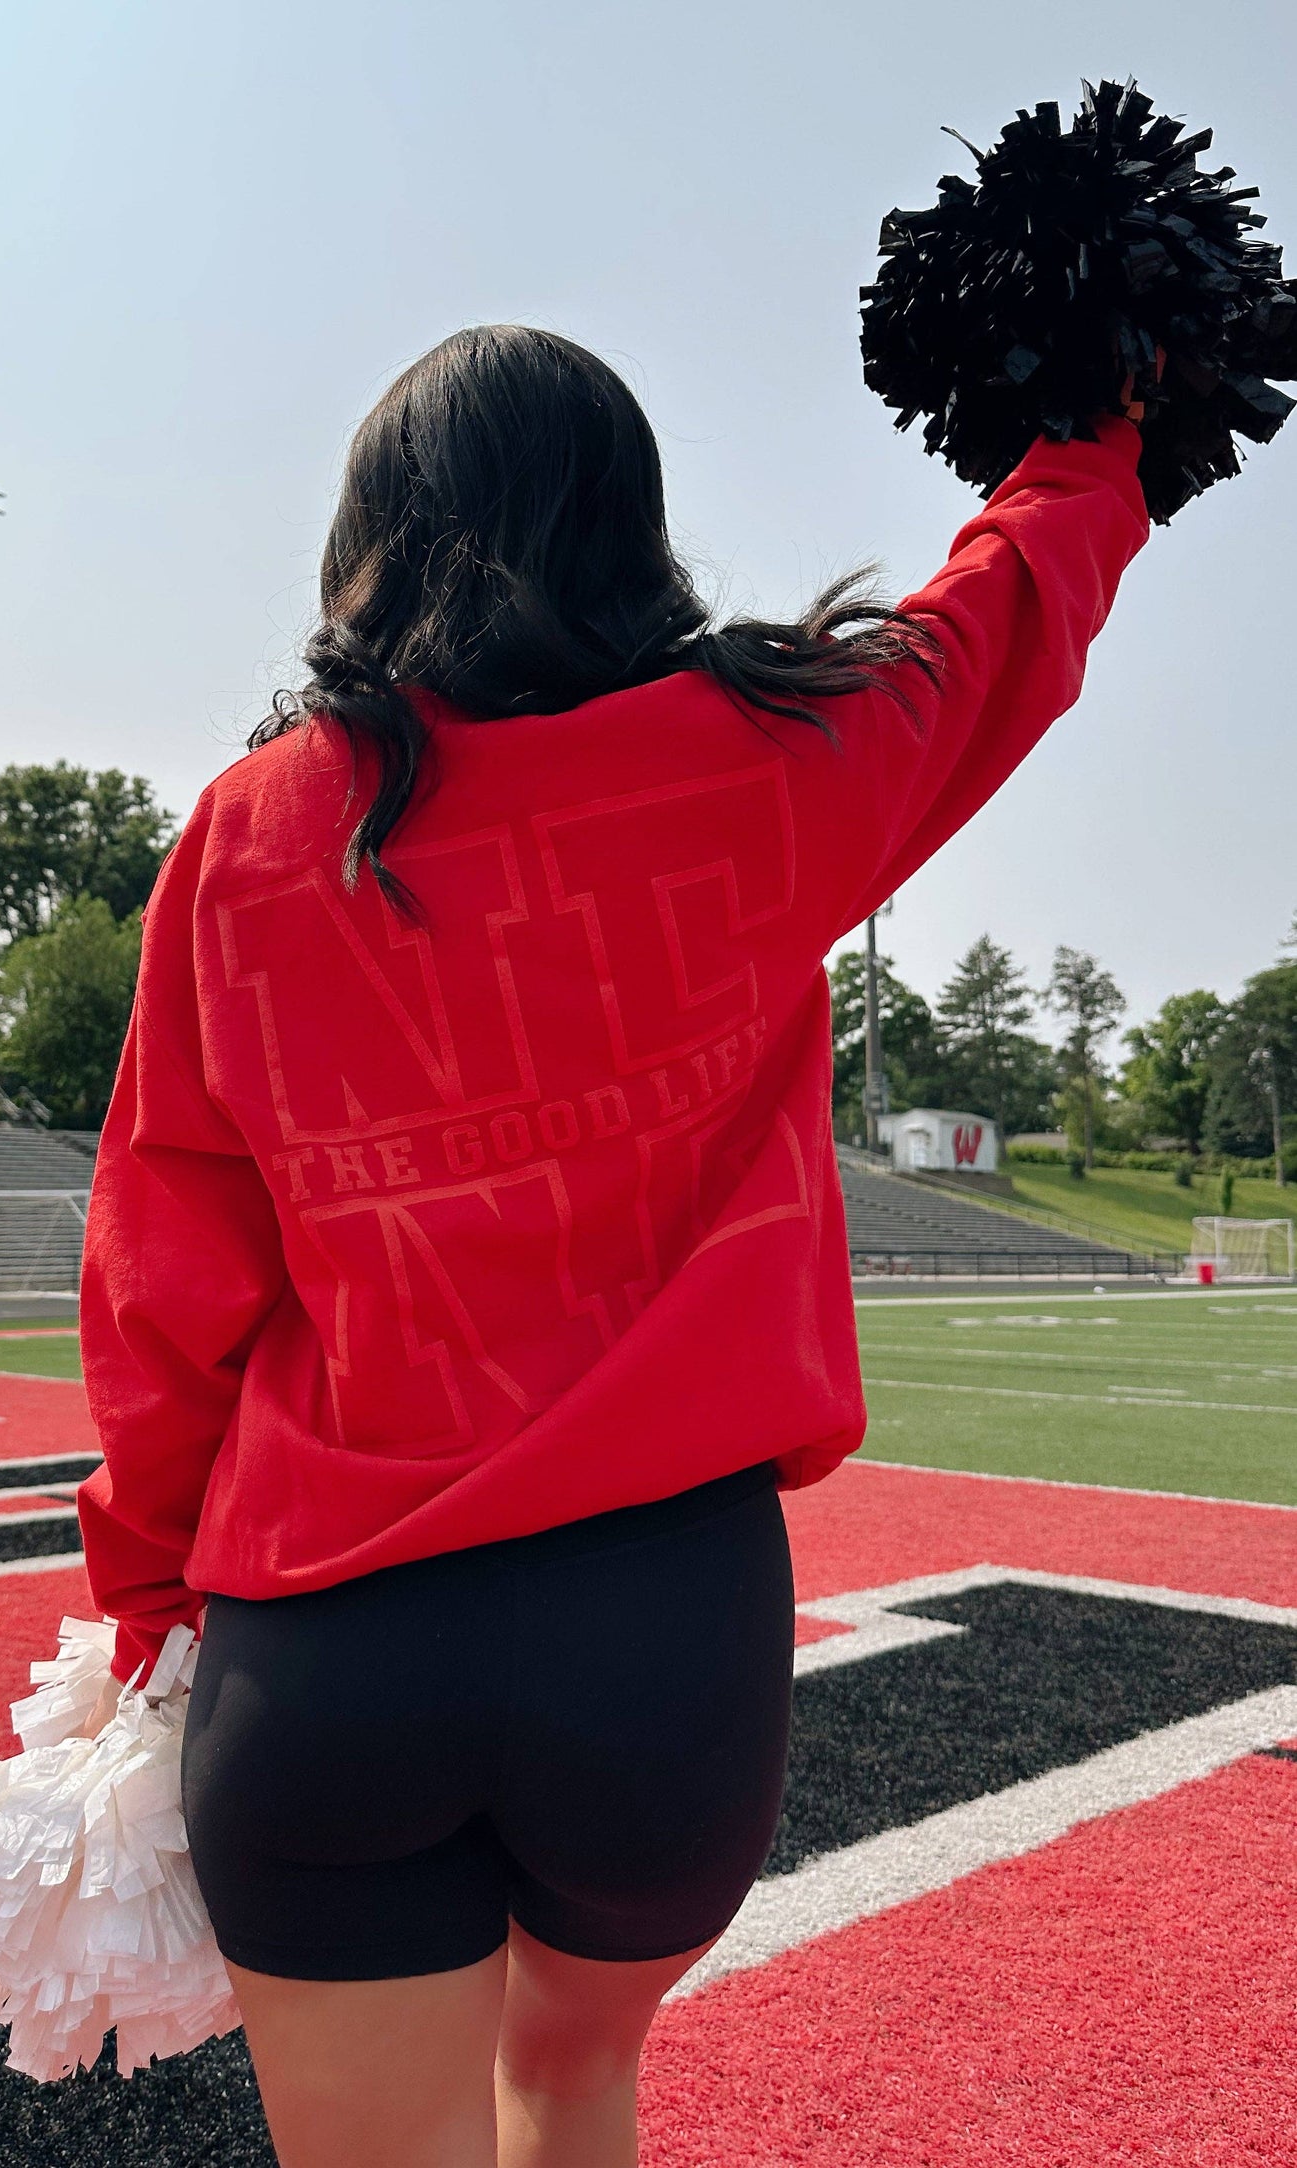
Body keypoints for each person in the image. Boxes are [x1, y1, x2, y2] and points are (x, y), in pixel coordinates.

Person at [76, 324, 1150, 2167]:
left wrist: (150, 1602)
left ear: (369, 540)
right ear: (631, 533)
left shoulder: (250, 834)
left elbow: (161, 1279)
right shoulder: (773, 757)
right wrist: (1104, 412)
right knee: (571, 2084)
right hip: (661, 1633)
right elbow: (1013, 602)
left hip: (321, 1640)